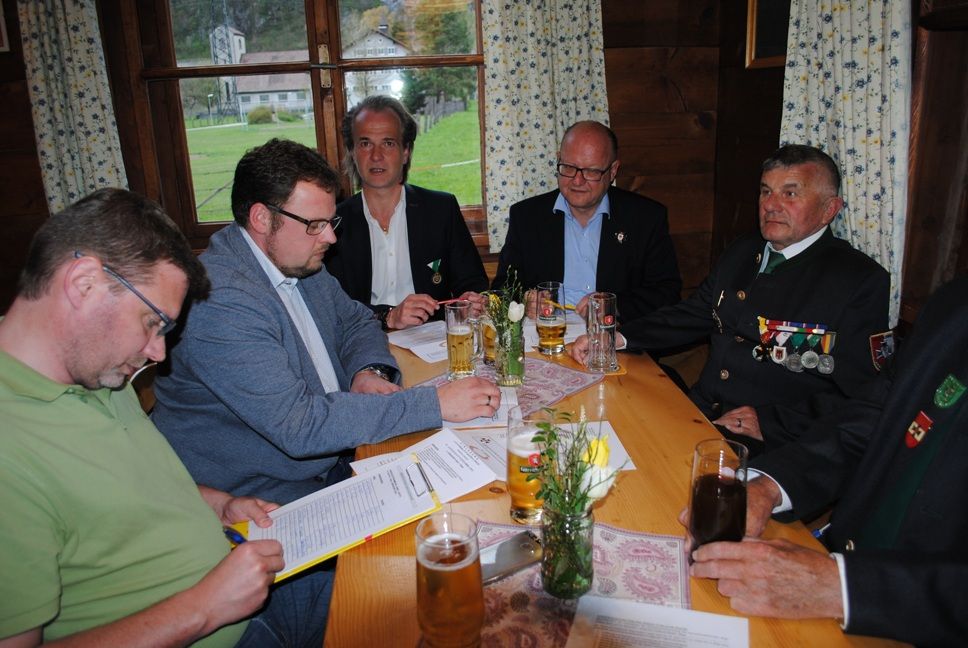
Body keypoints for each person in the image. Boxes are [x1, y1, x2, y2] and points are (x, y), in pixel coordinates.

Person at [0, 188, 329, 647]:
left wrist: (218, 505)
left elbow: (121, 494)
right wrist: (203, 608)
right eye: (152, 321)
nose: (158, 352)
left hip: (244, 587)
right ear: (83, 283)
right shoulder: (11, 448)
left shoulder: (96, 371)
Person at [152, 138, 500, 505]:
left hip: (335, 456)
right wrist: (433, 405)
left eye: (330, 222)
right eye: (316, 224)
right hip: (263, 496)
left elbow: (357, 322)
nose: (330, 237)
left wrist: (366, 372)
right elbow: (300, 426)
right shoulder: (218, 301)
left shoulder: (297, 261)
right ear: (261, 218)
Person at [688, 276, 968, 646]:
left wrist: (842, 587)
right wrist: (767, 487)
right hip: (837, 567)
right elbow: (872, 416)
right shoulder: (954, 301)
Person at [571, 144, 890, 455]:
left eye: (790, 194)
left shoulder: (857, 280)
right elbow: (692, 313)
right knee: (599, 431)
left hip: (774, 443)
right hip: (699, 411)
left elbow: (863, 393)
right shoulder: (743, 251)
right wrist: (615, 337)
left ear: (829, 209)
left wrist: (770, 422)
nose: (771, 205)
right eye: (766, 191)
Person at [325, 95, 488, 330]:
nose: (376, 155)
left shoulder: (441, 209)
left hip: (432, 340)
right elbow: (332, 306)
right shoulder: (332, 224)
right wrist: (388, 316)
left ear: (406, 152)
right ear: (352, 152)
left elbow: (472, 282)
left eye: (388, 143)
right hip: (363, 340)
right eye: (365, 143)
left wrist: (470, 301)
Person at [492, 120, 681, 322]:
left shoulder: (645, 218)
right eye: (569, 167)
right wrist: (525, 299)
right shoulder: (527, 216)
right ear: (559, 159)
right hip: (546, 333)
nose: (577, 180)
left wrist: (614, 306)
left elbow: (667, 292)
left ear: (613, 171)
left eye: (591, 171)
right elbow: (502, 288)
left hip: (614, 333)